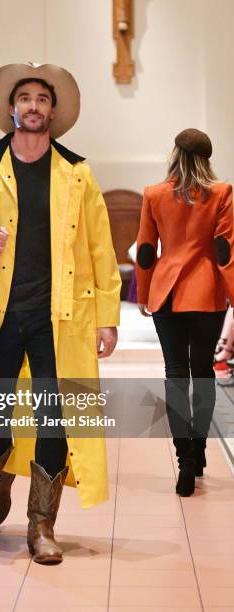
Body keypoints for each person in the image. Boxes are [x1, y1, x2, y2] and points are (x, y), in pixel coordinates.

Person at [0, 63, 121, 564]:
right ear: (11, 109)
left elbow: (100, 247)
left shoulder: (76, 172)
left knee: (54, 416)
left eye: (43, 98)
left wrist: (107, 316)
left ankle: (41, 525)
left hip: (60, 317)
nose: (34, 106)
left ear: (53, 111)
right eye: (26, 98)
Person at [136, 128, 234, 497]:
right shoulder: (221, 193)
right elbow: (225, 250)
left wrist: (145, 293)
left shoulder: (154, 194)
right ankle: (200, 449)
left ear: (174, 154)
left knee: (175, 374)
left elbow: (146, 248)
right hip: (206, 293)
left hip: (167, 293)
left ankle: (185, 463)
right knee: (203, 371)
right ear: (206, 160)